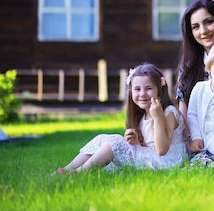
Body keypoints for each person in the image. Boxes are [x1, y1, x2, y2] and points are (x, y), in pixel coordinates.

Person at [53, 63, 187, 173]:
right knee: (102, 141)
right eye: (137, 89)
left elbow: (161, 150)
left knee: (115, 143)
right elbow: (149, 147)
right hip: (153, 158)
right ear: (131, 92)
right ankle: (66, 170)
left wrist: (158, 118)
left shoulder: (169, 112)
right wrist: (137, 144)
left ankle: (77, 174)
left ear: (159, 89)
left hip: (168, 162)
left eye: (148, 88)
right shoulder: (142, 116)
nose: (142, 94)